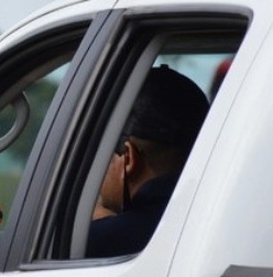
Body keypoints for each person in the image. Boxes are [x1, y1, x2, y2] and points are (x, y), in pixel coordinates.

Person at [86, 65, 209, 258]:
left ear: (128, 159)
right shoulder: (216, 223)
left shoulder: (98, 242)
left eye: (102, 156)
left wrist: (100, 228)